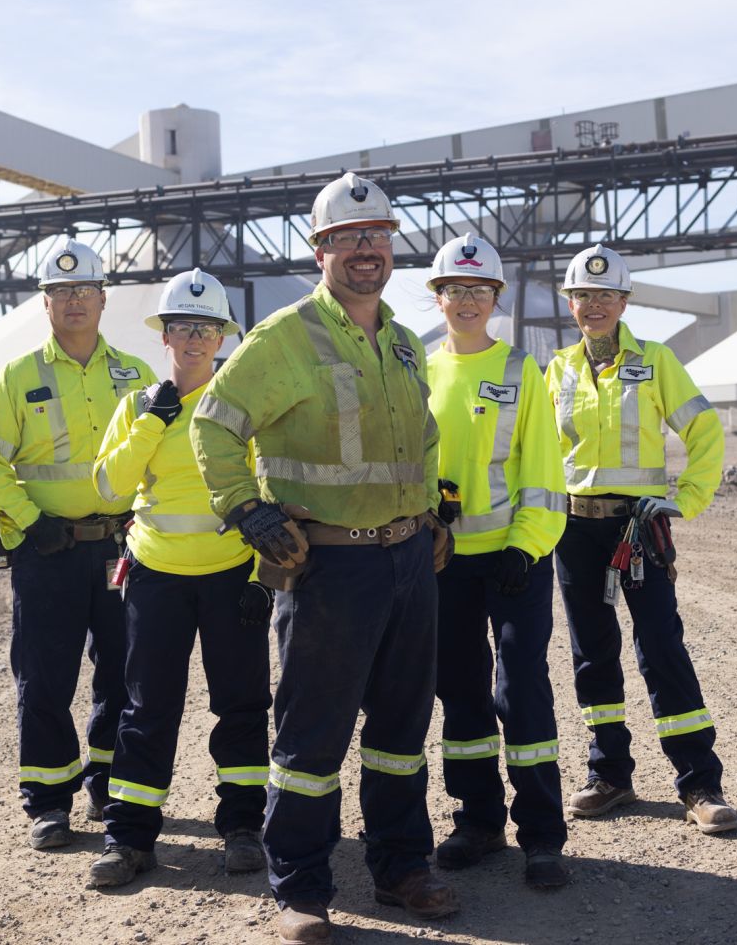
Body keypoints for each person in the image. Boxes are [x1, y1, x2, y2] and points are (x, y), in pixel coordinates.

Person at [190, 173, 457, 945]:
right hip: (331, 568)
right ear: (320, 251)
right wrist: (247, 509)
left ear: (391, 246)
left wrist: (430, 513)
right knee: (312, 737)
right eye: (346, 238)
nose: (365, 249)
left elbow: (421, 439)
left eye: (376, 235)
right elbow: (212, 424)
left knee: (401, 731)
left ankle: (402, 867)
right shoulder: (286, 336)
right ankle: (301, 888)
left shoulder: (402, 340)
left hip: (407, 561)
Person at [83, 269, 272, 888]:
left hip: (230, 576)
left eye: (206, 328)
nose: (194, 339)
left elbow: (268, 494)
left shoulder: (243, 408)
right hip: (156, 575)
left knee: (242, 705)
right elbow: (108, 488)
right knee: (147, 708)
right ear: (163, 335)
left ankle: (242, 829)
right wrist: (152, 423)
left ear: (223, 337)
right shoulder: (137, 406)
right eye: (182, 327)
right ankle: (129, 839)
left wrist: (262, 577)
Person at [543, 243, 737, 834]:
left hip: (638, 528)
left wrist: (685, 498)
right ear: (570, 304)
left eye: (605, 295)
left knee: (660, 645)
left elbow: (704, 428)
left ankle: (699, 783)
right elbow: (536, 452)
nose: (594, 305)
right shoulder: (556, 369)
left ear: (624, 302)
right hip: (575, 528)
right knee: (591, 652)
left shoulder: (655, 361)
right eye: (583, 295)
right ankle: (609, 775)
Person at [0, 237, 154, 851]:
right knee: (44, 679)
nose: (74, 300)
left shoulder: (137, 374)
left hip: (121, 550)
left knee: (123, 674)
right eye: (60, 291)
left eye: (84, 290)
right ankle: (49, 803)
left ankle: (108, 784)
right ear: (44, 303)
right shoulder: (19, 377)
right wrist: (29, 522)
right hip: (46, 551)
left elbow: (164, 454)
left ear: (103, 299)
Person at [423, 234, 572, 888]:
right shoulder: (419, 372)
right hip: (443, 561)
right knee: (459, 692)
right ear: (438, 296)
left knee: (522, 689)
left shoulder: (519, 371)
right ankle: (477, 821)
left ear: (496, 298)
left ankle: (541, 835)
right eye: (455, 289)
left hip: (513, 560)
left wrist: (524, 544)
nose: (467, 301)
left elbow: (543, 472)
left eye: (478, 290)